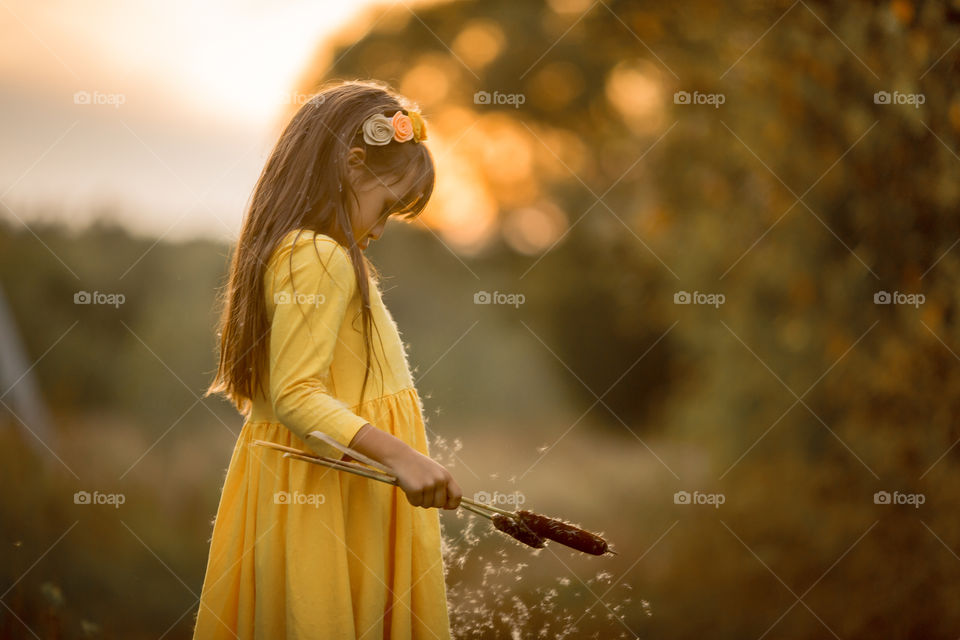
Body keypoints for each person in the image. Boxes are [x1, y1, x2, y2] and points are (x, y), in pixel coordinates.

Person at [193, 79, 462, 639]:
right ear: (353, 167)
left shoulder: (303, 250)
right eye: (386, 207)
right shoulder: (317, 254)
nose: (380, 231)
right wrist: (401, 457)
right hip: (324, 503)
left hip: (326, 493)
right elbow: (296, 394)